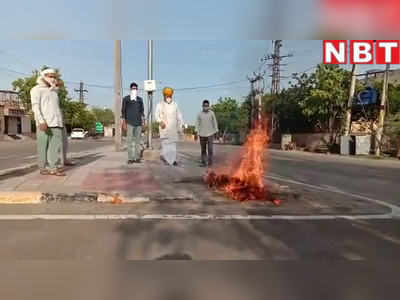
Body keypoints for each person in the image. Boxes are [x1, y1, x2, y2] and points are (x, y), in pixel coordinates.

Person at [30, 68, 66, 176]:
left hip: (56, 123)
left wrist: (61, 121)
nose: (53, 79)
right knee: (42, 147)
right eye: (50, 76)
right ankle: (42, 167)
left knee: (55, 147)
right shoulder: (36, 89)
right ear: (43, 76)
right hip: (44, 123)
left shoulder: (55, 91)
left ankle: (53, 168)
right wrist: (41, 121)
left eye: (54, 76)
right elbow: (35, 107)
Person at [155, 87, 184, 166]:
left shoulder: (175, 105)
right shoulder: (159, 105)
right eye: (167, 96)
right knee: (166, 145)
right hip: (164, 128)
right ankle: (168, 160)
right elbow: (156, 115)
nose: (168, 98)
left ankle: (173, 160)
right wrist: (160, 122)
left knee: (173, 146)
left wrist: (181, 125)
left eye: (169, 96)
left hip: (173, 129)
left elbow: (179, 116)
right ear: (164, 96)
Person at [121, 82, 145, 164]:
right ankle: (130, 158)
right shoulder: (126, 99)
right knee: (130, 142)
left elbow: (142, 112)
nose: (134, 90)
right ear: (130, 89)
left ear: (137, 89)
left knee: (138, 141)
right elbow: (123, 111)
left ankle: (137, 158)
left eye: (135, 88)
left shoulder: (140, 99)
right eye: (133, 88)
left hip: (138, 123)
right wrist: (124, 122)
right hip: (129, 123)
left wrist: (143, 122)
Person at [195, 100, 219, 167]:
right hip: (202, 134)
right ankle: (203, 162)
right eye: (204, 106)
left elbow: (215, 122)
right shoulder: (199, 114)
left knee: (210, 149)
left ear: (209, 106)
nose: (206, 107)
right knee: (203, 149)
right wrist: (196, 132)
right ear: (202, 106)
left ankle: (210, 163)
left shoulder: (212, 113)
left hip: (210, 134)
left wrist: (216, 131)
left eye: (207, 106)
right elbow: (197, 124)